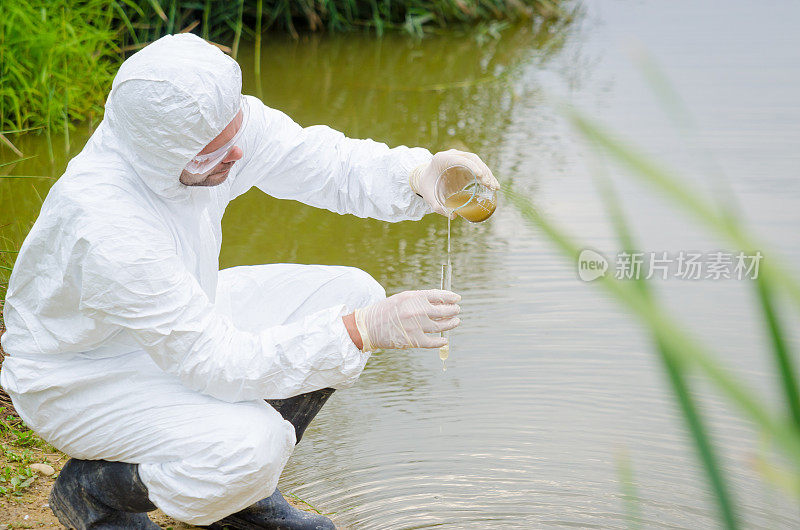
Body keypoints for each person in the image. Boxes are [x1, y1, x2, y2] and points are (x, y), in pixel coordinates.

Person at [0, 33, 497, 529]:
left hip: (177, 317)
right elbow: (215, 362)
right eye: (214, 155)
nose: (236, 156)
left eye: (235, 135)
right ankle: (96, 493)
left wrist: (417, 174)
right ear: (163, 158)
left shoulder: (209, 131)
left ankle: (242, 504)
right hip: (81, 376)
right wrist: (358, 332)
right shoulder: (110, 225)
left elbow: (325, 162)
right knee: (251, 446)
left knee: (352, 294)